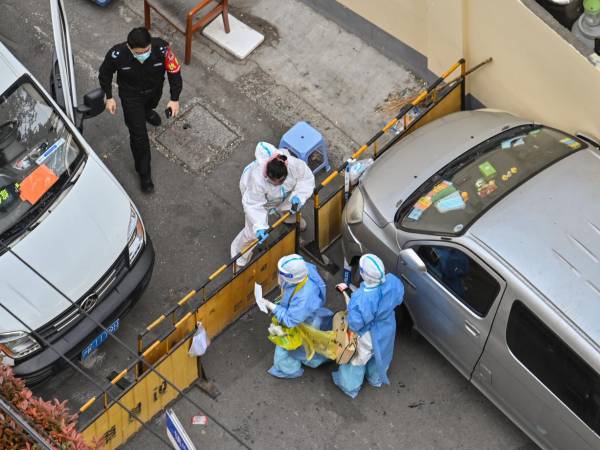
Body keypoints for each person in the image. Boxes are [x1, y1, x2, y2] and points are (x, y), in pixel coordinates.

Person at [98, 27, 182, 193]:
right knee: (139, 136)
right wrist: (109, 97)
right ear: (130, 48)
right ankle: (144, 174)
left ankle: (148, 112)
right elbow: (104, 74)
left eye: (147, 50)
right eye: (139, 53)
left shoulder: (162, 50)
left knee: (150, 106)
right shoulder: (117, 54)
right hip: (131, 97)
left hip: (153, 91)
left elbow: (174, 73)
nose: (144, 55)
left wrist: (174, 99)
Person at [231, 142, 315, 267]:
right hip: (256, 197)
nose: (276, 184)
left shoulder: (293, 164)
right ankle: (240, 257)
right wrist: (259, 225)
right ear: (267, 176)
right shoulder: (256, 180)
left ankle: (289, 219)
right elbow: (253, 205)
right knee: (252, 232)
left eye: (280, 181)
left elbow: (305, 178)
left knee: (290, 205)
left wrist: (298, 196)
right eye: (273, 183)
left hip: (283, 194)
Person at [332, 254, 404, 398]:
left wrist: (349, 298)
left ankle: (350, 386)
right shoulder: (393, 281)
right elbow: (399, 299)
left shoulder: (361, 297)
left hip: (368, 335)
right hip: (387, 326)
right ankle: (375, 378)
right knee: (381, 352)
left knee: (359, 358)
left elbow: (355, 323)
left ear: (364, 274)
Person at [257, 254, 333, 378]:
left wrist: (272, 306)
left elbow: (290, 320)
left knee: (292, 349)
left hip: (303, 323)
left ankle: (290, 370)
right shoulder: (305, 270)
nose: (279, 276)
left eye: (281, 274)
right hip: (311, 317)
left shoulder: (303, 297)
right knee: (312, 345)